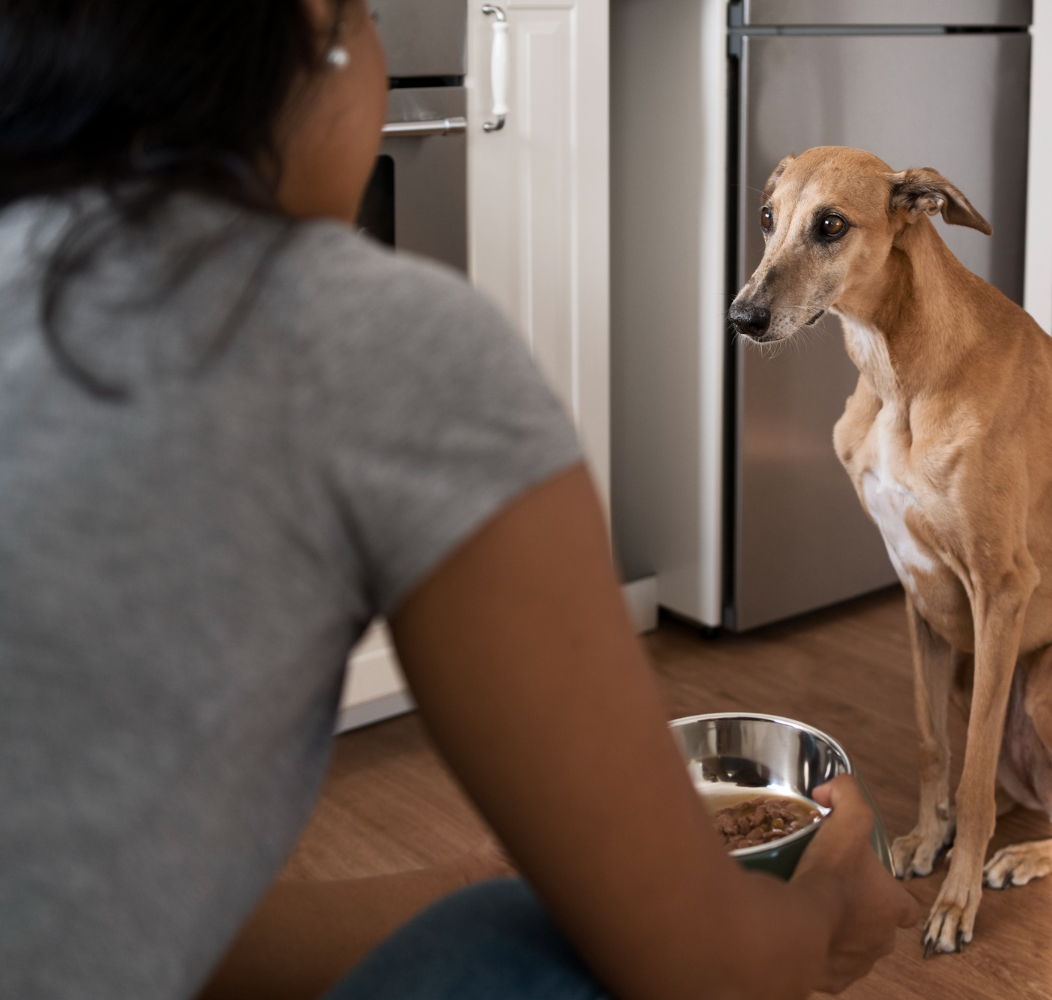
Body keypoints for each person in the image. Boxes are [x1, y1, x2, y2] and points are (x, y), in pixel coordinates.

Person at [0, 1, 921, 998]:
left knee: (514, 911)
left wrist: (520, 876)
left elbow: (155, 931)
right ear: (323, 25)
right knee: (549, 958)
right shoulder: (370, 333)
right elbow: (708, 972)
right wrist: (826, 906)